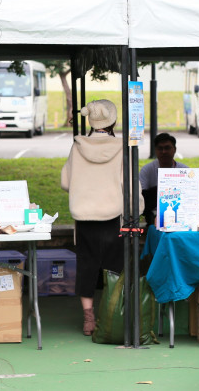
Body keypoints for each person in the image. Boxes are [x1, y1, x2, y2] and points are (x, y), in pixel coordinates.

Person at [61, 99, 143, 336]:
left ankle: (88, 319)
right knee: (114, 269)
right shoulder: (122, 148)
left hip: (84, 217)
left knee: (86, 266)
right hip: (113, 217)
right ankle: (110, 317)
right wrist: (137, 211)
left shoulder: (77, 146)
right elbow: (130, 186)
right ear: (113, 122)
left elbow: (65, 181)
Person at [139, 133, 188, 227]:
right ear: (155, 150)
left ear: (175, 149)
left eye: (167, 148)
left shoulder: (185, 170)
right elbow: (142, 199)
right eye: (160, 148)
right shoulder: (146, 170)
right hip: (154, 216)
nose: (164, 152)